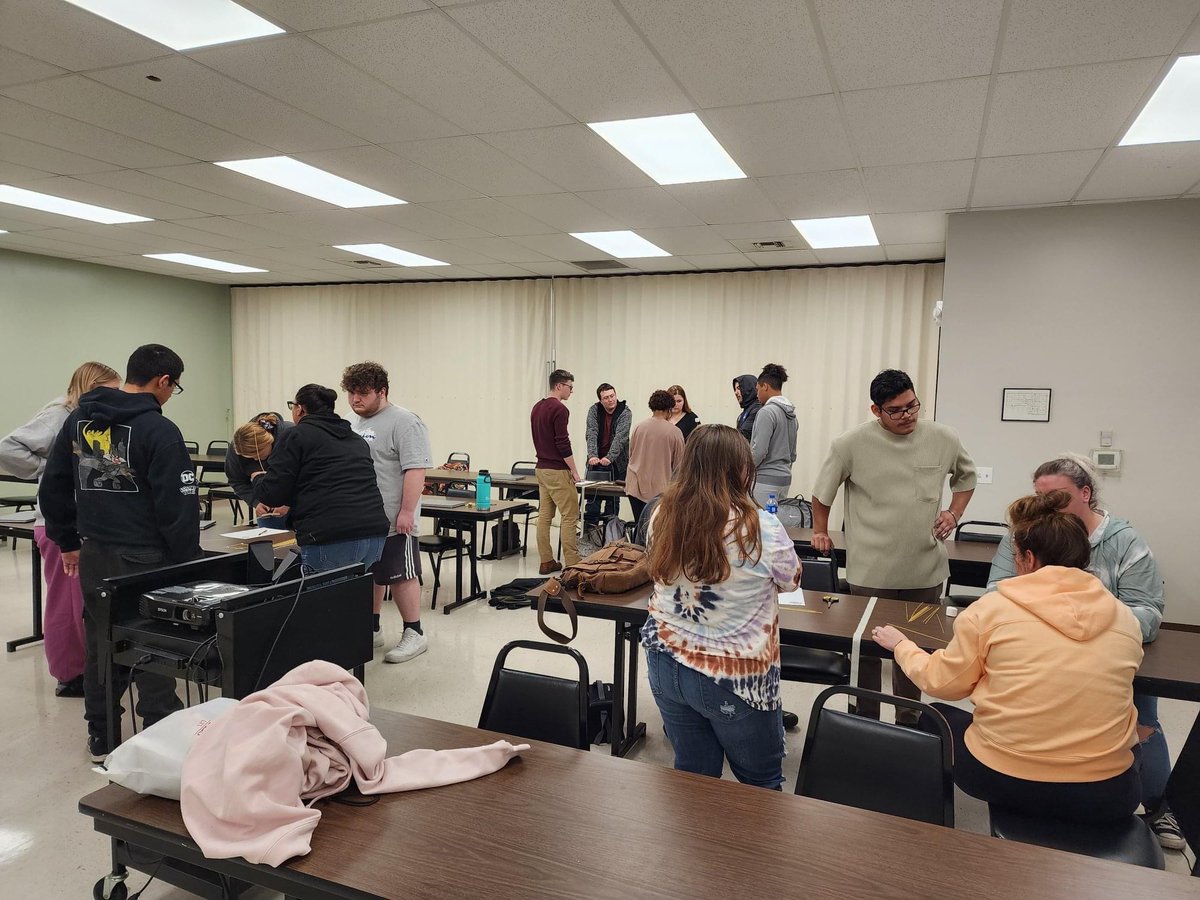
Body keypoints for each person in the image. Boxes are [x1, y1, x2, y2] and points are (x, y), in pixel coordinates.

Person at [872, 491, 1144, 823]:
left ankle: (924, 832)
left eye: (1014, 556)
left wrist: (902, 645)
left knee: (934, 715)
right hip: (1111, 791)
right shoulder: (1124, 618)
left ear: (1028, 559)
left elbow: (942, 683)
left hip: (1006, 778)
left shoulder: (991, 610)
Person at [986, 453, 1177, 848]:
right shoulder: (1020, 535)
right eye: (1039, 496)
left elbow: (1147, 611)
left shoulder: (1124, 541)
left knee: (1145, 721)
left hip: (1110, 654)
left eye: (1056, 497)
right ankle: (1035, 788)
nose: (1045, 507)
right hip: (1041, 654)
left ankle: (1158, 807)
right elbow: (996, 591)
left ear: (1086, 494)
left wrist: (1091, 626)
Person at [39, 344, 196, 762]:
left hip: (96, 555)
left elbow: (52, 486)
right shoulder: (160, 431)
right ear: (163, 381)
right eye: (173, 387)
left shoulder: (78, 420)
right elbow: (177, 507)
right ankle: (160, 737)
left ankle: (102, 737)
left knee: (101, 643)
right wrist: (187, 563)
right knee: (155, 645)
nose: (170, 395)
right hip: (148, 558)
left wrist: (68, 540)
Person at [641, 424, 801, 789]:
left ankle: (697, 847)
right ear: (741, 469)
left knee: (694, 780)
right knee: (760, 785)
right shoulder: (761, 526)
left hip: (666, 662)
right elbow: (791, 578)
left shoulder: (661, 514)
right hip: (734, 676)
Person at [812, 368, 976, 721]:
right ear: (876, 411)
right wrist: (820, 530)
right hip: (871, 569)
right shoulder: (849, 444)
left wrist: (953, 512)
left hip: (924, 567)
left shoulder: (943, 438)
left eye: (912, 406)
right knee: (867, 649)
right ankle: (865, 717)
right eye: (896, 410)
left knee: (914, 648)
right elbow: (821, 493)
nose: (908, 416)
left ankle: (909, 718)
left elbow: (967, 477)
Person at [0, 361, 120, 698]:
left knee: (79, 602)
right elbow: (7, 447)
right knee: (65, 606)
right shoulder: (60, 413)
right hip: (58, 524)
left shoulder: (88, 418)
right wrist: (49, 468)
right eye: (110, 391)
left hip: (82, 523)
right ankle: (69, 674)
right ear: (90, 387)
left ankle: (87, 667)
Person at [341, 361, 433, 665]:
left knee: (400, 575)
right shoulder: (353, 423)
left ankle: (414, 632)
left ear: (383, 391)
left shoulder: (405, 422)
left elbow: (415, 469)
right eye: (352, 393)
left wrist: (407, 511)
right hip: (362, 518)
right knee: (371, 573)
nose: (356, 400)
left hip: (395, 519)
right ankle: (372, 626)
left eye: (363, 393)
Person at [252, 384, 388, 576]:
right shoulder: (356, 439)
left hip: (330, 535)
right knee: (352, 599)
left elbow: (273, 494)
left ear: (299, 409)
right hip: (374, 534)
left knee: (323, 602)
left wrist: (258, 479)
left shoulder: (296, 435)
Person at [530, 368, 581, 574]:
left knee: (544, 515)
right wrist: (575, 471)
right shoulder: (560, 409)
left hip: (541, 468)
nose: (571, 391)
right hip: (557, 470)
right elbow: (562, 443)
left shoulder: (537, 407)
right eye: (570, 387)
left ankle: (546, 561)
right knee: (570, 516)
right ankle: (573, 564)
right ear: (559, 386)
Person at [224, 412, 293, 529]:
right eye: (249, 457)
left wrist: (288, 503)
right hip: (269, 513)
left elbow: (308, 478)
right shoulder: (237, 447)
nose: (255, 459)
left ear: (269, 442)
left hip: (302, 509)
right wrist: (256, 502)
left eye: (257, 454)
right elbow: (237, 481)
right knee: (272, 542)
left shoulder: (290, 436)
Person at [625, 390, 684, 525]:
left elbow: (631, 455)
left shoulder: (638, 427)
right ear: (669, 409)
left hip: (635, 487)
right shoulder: (674, 432)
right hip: (660, 491)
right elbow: (679, 466)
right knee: (656, 530)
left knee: (639, 526)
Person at [749, 363, 797, 507]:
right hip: (784, 479)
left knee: (760, 524)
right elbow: (793, 454)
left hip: (764, 481)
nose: (757, 395)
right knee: (775, 524)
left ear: (765, 386)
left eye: (757, 390)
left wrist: (745, 473)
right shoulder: (792, 414)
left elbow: (759, 451)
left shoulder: (767, 412)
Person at [583, 383, 631, 526]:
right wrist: (592, 455)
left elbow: (621, 438)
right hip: (596, 462)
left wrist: (610, 457)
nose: (610, 400)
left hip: (616, 463)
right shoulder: (594, 410)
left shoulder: (625, 412)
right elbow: (591, 432)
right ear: (600, 400)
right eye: (606, 398)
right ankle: (591, 533)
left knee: (612, 502)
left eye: (612, 396)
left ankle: (610, 534)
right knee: (592, 501)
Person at [733, 374, 761, 442]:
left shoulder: (756, 409)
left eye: (739, 388)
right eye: (735, 389)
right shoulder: (747, 409)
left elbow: (744, 435)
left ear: (748, 388)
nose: (736, 393)